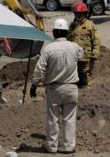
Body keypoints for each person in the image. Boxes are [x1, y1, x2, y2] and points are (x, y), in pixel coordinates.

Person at [30, 18, 84, 154]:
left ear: (54, 33)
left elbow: (39, 69)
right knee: (69, 119)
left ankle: (52, 146)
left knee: (52, 119)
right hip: (71, 87)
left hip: (54, 89)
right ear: (66, 32)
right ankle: (69, 146)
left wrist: (34, 85)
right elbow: (81, 57)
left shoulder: (48, 49)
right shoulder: (75, 47)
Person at [67, 2, 100, 88]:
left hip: (86, 55)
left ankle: (86, 88)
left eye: (80, 13)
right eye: (76, 13)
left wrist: (95, 52)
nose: (78, 15)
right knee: (74, 72)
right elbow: (68, 39)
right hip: (74, 55)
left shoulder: (90, 25)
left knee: (86, 71)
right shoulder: (72, 25)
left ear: (84, 13)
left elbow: (96, 39)